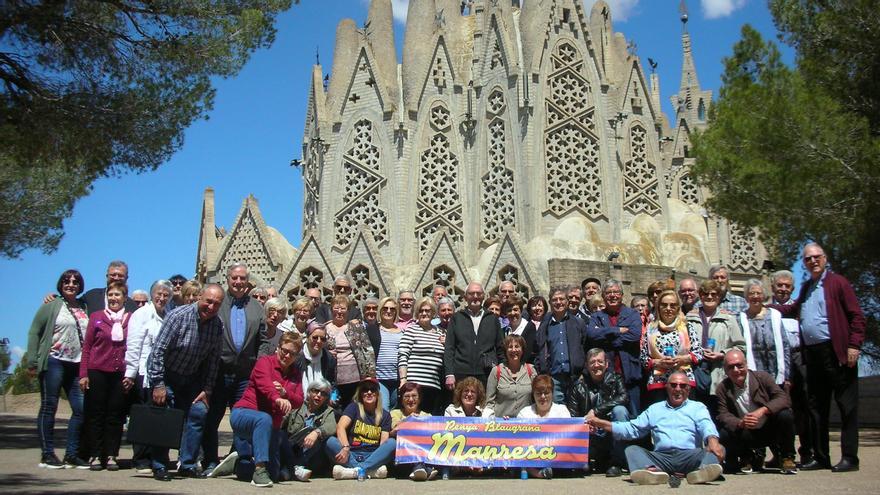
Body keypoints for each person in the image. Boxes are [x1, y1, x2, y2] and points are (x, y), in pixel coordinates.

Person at [773, 242, 865, 473]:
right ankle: (821, 457)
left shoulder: (838, 283)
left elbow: (856, 316)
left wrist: (854, 345)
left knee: (847, 407)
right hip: (812, 355)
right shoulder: (806, 287)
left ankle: (850, 458)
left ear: (824, 259)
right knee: (816, 408)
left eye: (816, 257)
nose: (812, 261)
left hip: (837, 352)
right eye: (808, 259)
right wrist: (765, 308)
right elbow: (793, 309)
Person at [586, 371, 724, 486]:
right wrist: (600, 423)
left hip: (690, 456)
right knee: (632, 451)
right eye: (673, 385)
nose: (678, 389)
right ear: (667, 387)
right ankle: (654, 473)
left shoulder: (697, 407)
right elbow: (631, 429)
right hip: (662, 458)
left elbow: (706, 424)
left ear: (688, 389)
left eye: (682, 385)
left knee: (718, 448)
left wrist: (712, 440)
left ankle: (701, 471)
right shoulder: (655, 409)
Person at [146, 284, 225, 481]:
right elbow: (158, 352)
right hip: (168, 375)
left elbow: (213, 361)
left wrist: (207, 390)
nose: (211, 306)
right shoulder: (177, 316)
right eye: (208, 301)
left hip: (192, 378)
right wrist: (158, 384)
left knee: (199, 412)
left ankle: (187, 463)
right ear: (200, 297)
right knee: (165, 416)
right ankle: (160, 464)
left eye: (216, 304)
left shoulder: (217, 325)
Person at [204, 263, 267, 476]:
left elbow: (263, 340)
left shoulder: (257, 308)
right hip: (219, 372)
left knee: (242, 420)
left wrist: (258, 365)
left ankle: (240, 461)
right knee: (213, 417)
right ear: (227, 279)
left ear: (247, 281)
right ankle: (210, 459)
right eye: (234, 278)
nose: (238, 282)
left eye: (242, 279)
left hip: (244, 374)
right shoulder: (218, 304)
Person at [219, 333, 304, 487]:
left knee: (273, 474)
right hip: (244, 414)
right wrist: (277, 398)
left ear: (297, 356)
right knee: (264, 419)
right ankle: (258, 470)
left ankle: (240, 465)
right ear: (278, 348)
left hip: (271, 427)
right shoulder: (264, 363)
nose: (287, 355)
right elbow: (265, 385)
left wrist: (286, 393)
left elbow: (299, 400)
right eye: (284, 350)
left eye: (292, 353)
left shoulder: (295, 374)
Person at [27, 269, 90, 469]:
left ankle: (71, 454)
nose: (71, 284)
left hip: (76, 364)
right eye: (66, 281)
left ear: (80, 285)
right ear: (60, 284)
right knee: (49, 407)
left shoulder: (84, 307)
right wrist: (32, 360)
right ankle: (47, 454)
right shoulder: (51, 305)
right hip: (54, 360)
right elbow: (34, 331)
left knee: (80, 410)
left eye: (75, 281)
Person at [715, 350, 797, 475]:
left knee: (785, 415)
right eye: (731, 367)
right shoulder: (722, 387)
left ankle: (787, 458)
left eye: (740, 365)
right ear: (725, 370)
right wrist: (740, 423)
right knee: (724, 432)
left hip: (769, 428)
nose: (736, 370)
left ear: (746, 364)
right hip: (746, 432)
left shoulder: (762, 377)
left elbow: (783, 398)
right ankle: (746, 457)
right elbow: (722, 414)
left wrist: (763, 410)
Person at [79, 281, 131, 471]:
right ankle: (95, 454)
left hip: (119, 374)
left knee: (115, 416)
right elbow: (87, 348)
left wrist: (130, 375)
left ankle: (111, 455)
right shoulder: (97, 317)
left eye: (118, 295)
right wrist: (83, 374)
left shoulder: (130, 319)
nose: (114, 298)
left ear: (125, 298)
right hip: (97, 371)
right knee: (96, 414)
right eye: (111, 295)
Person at [124, 279, 173, 472]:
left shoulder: (169, 315)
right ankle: (140, 458)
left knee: (158, 416)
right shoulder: (142, 314)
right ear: (152, 295)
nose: (162, 298)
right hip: (143, 373)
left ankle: (156, 457)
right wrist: (130, 373)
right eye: (158, 294)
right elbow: (134, 344)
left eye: (166, 295)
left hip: (162, 374)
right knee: (143, 416)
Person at [770, 269, 812, 465]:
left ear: (792, 288)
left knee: (802, 406)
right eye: (780, 285)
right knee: (777, 406)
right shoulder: (766, 310)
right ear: (772, 287)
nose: (783, 289)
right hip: (776, 360)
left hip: (798, 357)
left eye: (787, 286)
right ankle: (781, 453)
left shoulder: (800, 309)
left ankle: (806, 452)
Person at [566, 348, 629, 477]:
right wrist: (584, 425)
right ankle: (584, 460)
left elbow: (624, 398)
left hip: (609, 433)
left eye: (600, 361)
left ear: (606, 364)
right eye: (592, 362)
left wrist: (595, 411)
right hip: (588, 435)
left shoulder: (616, 379)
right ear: (587, 366)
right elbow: (572, 415)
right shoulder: (578, 385)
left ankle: (616, 462)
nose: (596, 365)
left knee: (620, 411)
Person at [685, 280, 745, 413]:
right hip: (695, 373)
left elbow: (741, 347)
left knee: (719, 414)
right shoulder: (689, 317)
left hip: (719, 374)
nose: (710, 297)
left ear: (719, 296)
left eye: (714, 294)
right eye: (705, 293)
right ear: (700, 296)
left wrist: (722, 354)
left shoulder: (728, 318)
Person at [587, 279, 643, 414]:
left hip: (630, 374)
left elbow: (635, 335)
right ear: (603, 296)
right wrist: (617, 330)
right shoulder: (597, 316)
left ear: (622, 295)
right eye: (608, 293)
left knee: (634, 415)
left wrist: (606, 338)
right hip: (608, 377)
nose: (612, 295)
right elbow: (592, 334)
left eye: (616, 292)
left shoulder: (632, 314)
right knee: (609, 414)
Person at [640, 290, 703, 405]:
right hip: (658, 382)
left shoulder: (687, 327)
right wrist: (658, 362)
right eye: (664, 305)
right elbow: (644, 358)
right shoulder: (650, 329)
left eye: (673, 305)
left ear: (678, 308)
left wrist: (682, 359)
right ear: (658, 307)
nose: (668, 308)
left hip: (683, 381)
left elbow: (698, 354)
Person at [326, 377, 395, 480]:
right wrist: (345, 448)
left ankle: (353, 471)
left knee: (392, 443)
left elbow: (383, 443)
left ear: (378, 393)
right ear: (360, 393)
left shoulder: (385, 415)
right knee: (330, 442)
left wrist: (377, 458)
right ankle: (369, 471)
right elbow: (340, 427)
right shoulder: (353, 407)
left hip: (372, 456)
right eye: (365, 389)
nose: (369, 392)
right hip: (350, 454)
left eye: (373, 389)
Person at [444, 282, 504, 390]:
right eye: (472, 293)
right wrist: (449, 373)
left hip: (487, 374)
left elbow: (500, 348)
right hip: (461, 373)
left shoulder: (492, 319)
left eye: (479, 293)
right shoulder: (456, 318)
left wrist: (502, 373)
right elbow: (449, 348)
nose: (475, 296)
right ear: (465, 297)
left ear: (484, 296)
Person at [535, 287, 587, 402]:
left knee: (577, 414)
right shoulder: (545, 325)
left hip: (575, 377)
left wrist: (583, 372)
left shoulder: (579, 323)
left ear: (567, 301)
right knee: (558, 414)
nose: (558, 302)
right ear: (550, 303)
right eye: (554, 300)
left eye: (561, 299)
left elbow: (585, 347)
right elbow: (540, 349)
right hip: (554, 378)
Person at [280, 377, 336, 482]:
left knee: (320, 437)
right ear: (309, 392)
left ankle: (292, 468)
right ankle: (293, 468)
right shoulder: (297, 405)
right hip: (291, 448)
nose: (319, 395)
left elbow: (331, 426)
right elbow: (281, 422)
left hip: (311, 455)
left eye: (323, 394)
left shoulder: (328, 411)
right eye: (316, 391)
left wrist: (316, 432)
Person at [398, 298, 446, 415]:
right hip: (415, 387)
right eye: (421, 311)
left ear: (433, 313)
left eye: (427, 311)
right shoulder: (411, 330)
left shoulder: (442, 332)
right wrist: (403, 380)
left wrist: (446, 344)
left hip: (433, 385)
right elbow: (403, 356)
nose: (424, 313)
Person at [516, 374, 570, 479]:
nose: (543, 397)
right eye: (538, 393)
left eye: (546, 393)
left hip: (556, 456)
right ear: (533, 395)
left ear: (552, 393)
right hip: (531, 455)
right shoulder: (524, 413)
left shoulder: (562, 411)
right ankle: (538, 473)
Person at [326, 294, 376, 407]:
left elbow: (368, 352)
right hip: (332, 380)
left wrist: (370, 376)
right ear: (331, 310)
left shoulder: (356, 328)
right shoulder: (325, 329)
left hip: (355, 380)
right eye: (336, 308)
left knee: (354, 411)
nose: (339, 311)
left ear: (348, 311)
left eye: (343, 308)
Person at [739, 279, 790, 387]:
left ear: (763, 296)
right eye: (752, 293)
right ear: (747, 297)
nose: (755, 296)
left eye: (758, 293)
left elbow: (785, 345)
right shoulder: (741, 318)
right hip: (754, 370)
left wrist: (787, 374)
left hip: (775, 370)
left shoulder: (775, 315)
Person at [389, 382, 435, 481]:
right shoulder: (395, 413)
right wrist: (411, 420)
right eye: (406, 396)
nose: (410, 400)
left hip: (424, 454)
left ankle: (421, 468)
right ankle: (424, 469)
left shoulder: (427, 416)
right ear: (401, 399)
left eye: (414, 396)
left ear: (420, 399)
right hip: (402, 457)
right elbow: (394, 431)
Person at [366, 296, 403, 410]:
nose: (388, 311)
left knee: (395, 409)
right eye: (385, 308)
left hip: (396, 379)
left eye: (392, 309)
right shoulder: (372, 329)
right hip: (380, 378)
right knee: (384, 409)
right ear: (380, 310)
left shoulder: (402, 332)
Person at [486, 334, 536, 418]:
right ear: (505, 350)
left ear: (522, 350)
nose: (513, 350)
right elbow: (489, 403)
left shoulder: (531, 370)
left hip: (526, 425)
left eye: (517, 346)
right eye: (510, 347)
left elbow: (536, 399)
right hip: (502, 425)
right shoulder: (496, 371)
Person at [296, 322, 337, 398]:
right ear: (307, 337)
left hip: (322, 400)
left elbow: (332, 382)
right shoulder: (297, 356)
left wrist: (333, 397)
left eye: (322, 339)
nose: (318, 341)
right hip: (298, 398)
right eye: (315, 337)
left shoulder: (329, 358)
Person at [501, 295, 536, 363]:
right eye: (509, 310)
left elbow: (528, 352)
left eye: (515, 310)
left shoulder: (529, 327)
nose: (512, 313)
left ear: (521, 311)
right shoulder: (504, 331)